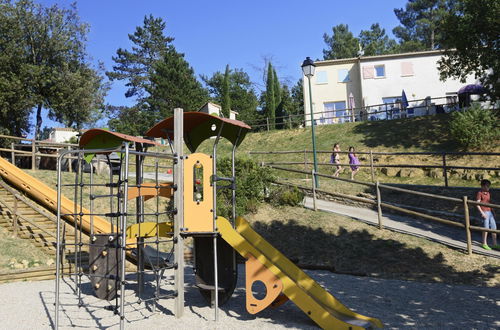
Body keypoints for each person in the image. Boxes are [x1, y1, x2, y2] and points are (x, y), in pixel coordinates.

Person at [476, 179, 498, 250]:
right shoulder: (480, 193)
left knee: (494, 227)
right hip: (484, 212)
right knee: (486, 228)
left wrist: (493, 211)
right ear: (482, 186)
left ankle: (494, 243)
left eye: (489, 186)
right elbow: (477, 204)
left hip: (490, 212)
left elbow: (489, 202)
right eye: (487, 186)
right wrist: (481, 212)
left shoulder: (488, 193)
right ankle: (484, 243)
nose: (488, 187)